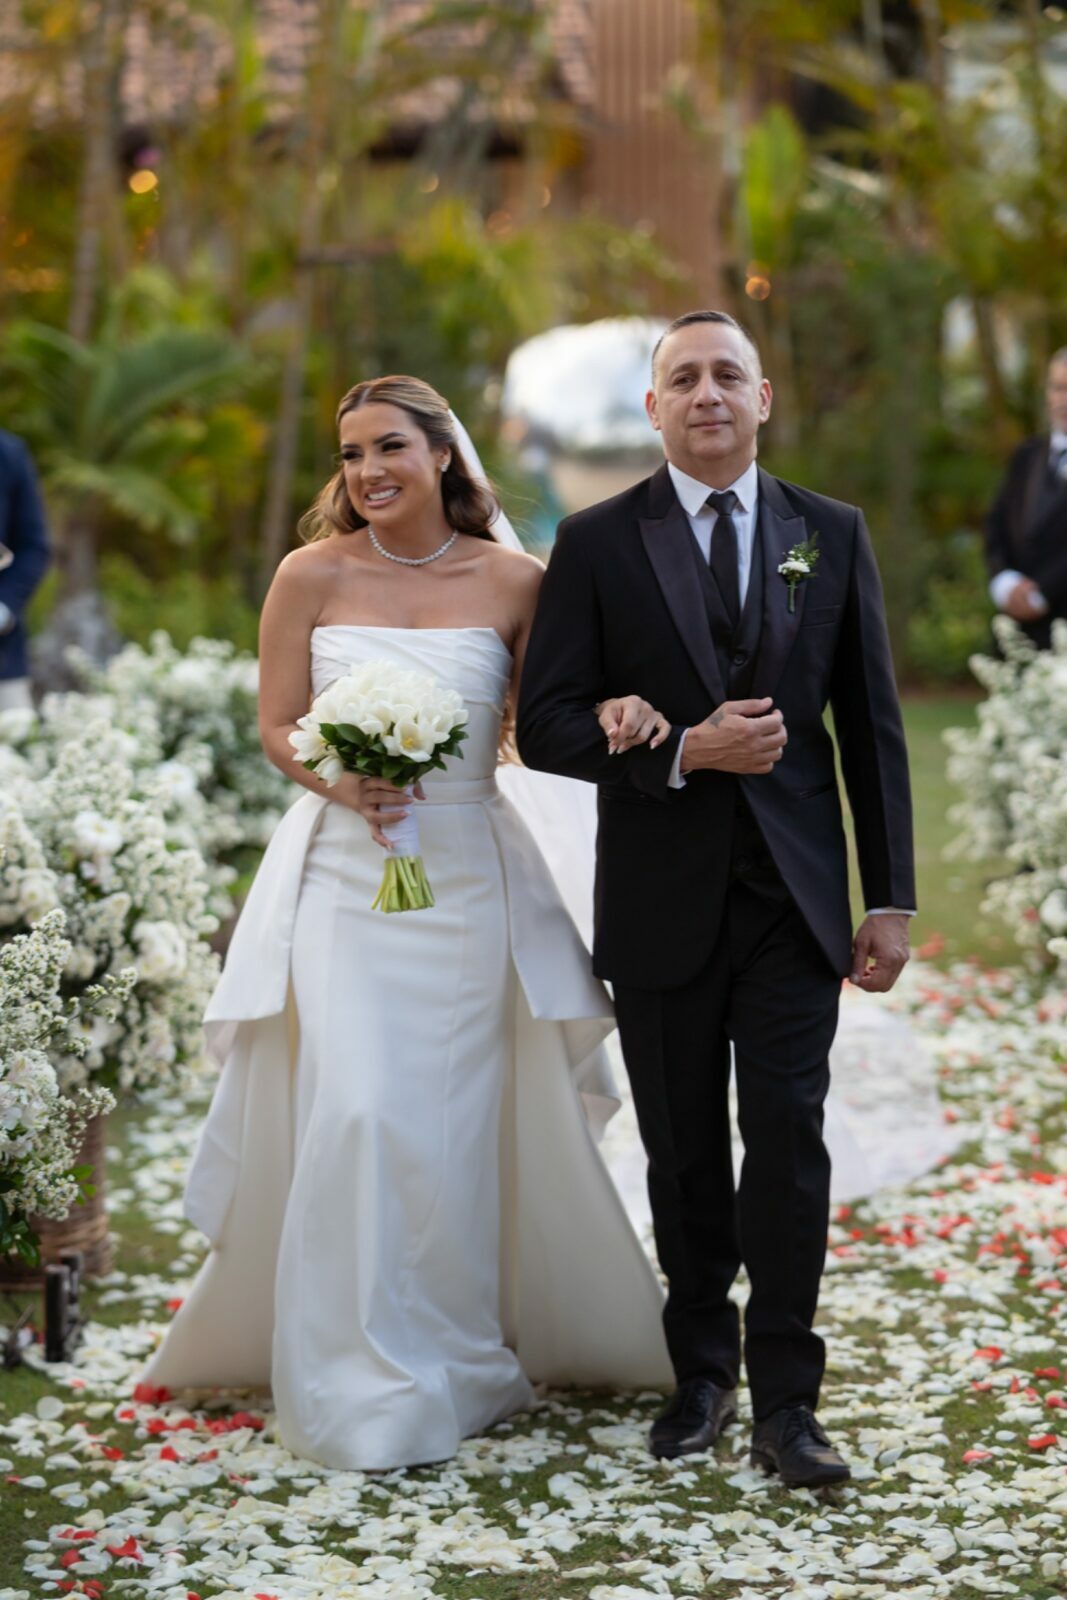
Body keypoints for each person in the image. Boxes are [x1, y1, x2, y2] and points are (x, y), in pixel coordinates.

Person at [141, 376, 673, 1470]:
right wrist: (342, 780)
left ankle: (457, 1355)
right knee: (360, 1111)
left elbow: (551, 716)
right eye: (350, 454)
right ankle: (348, 1373)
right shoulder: (309, 574)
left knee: (451, 1129)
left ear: (442, 455)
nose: (367, 470)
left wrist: (619, 707)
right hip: (343, 877)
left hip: (470, 879)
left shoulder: (516, 580)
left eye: (389, 446)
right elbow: (277, 725)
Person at [517, 310, 916, 1489]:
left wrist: (888, 897)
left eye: (725, 375)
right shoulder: (594, 542)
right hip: (660, 901)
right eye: (682, 378)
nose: (706, 394)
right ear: (652, 409)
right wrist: (683, 748)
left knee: (786, 1143)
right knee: (682, 1152)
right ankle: (699, 1373)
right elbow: (544, 726)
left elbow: (871, 728)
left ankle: (788, 1403)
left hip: (794, 903)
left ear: (761, 397)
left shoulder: (828, 533)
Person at [985, 348, 1067, 649]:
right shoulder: (1027, 455)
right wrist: (1003, 581)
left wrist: (1042, 592)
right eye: (1057, 387)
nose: (1063, 400)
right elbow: (996, 524)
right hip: (1017, 633)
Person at [0, 429, 51, 711]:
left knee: (16, 735)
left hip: (3, 663)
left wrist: (3, 609)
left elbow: (33, 547)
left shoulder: (8, 453)